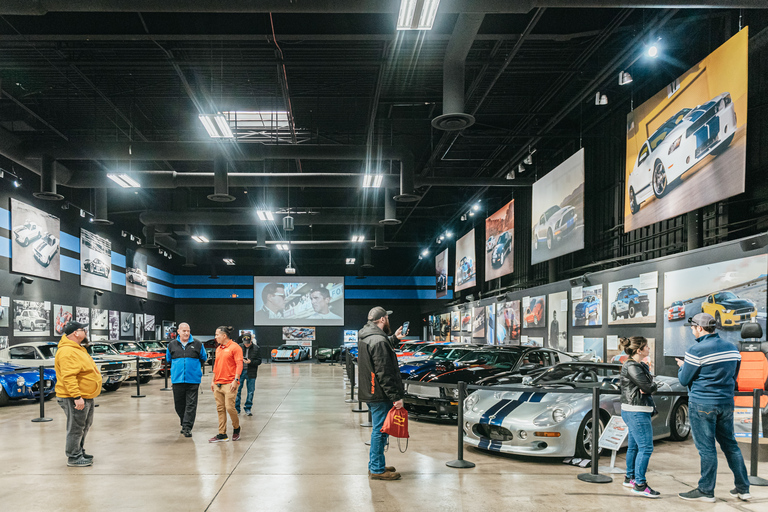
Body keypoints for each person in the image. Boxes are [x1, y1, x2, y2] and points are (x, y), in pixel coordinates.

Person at [677, 313, 751, 502]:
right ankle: (743, 488)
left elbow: (684, 379)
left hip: (703, 404)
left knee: (707, 449)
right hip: (726, 403)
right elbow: (734, 376)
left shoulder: (696, 350)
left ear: (700, 328)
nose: (692, 331)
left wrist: (682, 366)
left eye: (693, 328)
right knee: (731, 446)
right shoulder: (733, 348)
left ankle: (706, 491)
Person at [358, 306, 405, 481]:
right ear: (383, 319)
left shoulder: (368, 335)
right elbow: (384, 372)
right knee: (380, 431)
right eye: (387, 317)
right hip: (379, 394)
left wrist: (394, 339)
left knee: (380, 430)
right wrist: (396, 398)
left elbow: (378, 352)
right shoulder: (378, 340)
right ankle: (377, 469)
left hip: (371, 391)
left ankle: (376, 464)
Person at [54, 321, 102, 467]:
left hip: (85, 395)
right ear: (75, 333)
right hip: (74, 397)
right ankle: (74, 457)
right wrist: (76, 397)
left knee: (84, 425)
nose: (85, 332)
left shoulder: (77, 349)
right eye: (83, 330)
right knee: (75, 428)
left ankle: (78, 450)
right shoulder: (67, 351)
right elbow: (69, 377)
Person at [619, 336, 660, 498]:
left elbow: (646, 387)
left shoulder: (638, 366)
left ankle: (630, 477)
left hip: (634, 409)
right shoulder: (633, 367)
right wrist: (653, 384)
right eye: (646, 346)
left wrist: (648, 384)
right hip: (636, 410)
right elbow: (648, 387)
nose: (649, 349)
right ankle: (640, 485)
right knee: (646, 447)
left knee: (635, 446)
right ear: (639, 350)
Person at [166, 322, 207, 437]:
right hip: (177, 380)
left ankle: (187, 427)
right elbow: (168, 359)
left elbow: (203, 357)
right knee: (179, 405)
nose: (186, 333)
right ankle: (184, 422)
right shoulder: (172, 345)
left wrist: (194, 368)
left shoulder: (198, 344)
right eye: (184, 331)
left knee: (191, 404)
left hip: (193, 380)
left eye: (188, 331)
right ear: (178, 331)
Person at [209, 326, 244, 443]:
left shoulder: (235, 347)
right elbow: (216, 366)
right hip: (218, 383)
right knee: (220, 409)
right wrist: (213, 380)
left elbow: (239, 364)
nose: (215, 337)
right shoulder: (219, 348)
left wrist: (236, 380)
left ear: (224, 336)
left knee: (229, 407)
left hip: (230, 383)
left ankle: (236, 428)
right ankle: (222, 434)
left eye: (217, 334)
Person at [236, 333, 261, 416]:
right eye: (244, 343)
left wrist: (251, 362)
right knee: (237, 391)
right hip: (240, 372)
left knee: (250, 391)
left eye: (247, 343)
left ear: (251, 341)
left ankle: (248, 408)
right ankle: (237, 409)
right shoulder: (239, 347)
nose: (246, 344)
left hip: (251, 372)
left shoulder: (256, 348)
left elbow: (259, 361)